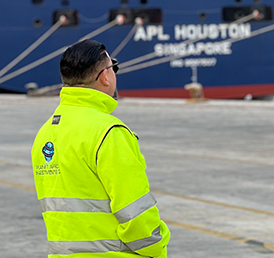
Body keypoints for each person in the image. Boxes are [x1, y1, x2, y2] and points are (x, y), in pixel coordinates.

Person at [31, 39, 170, 258]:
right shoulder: (109, 132)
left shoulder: (46, 133)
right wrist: (157, 248)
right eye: (114, 67)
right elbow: (136, 213)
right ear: (105, 76)